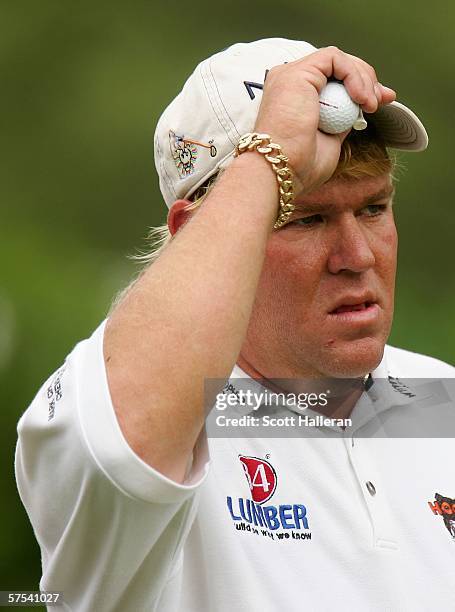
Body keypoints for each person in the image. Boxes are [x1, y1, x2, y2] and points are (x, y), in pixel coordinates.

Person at [15, 38, 455, 611]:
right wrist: (268, 158)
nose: (358, 255)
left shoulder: (440, 398)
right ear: (193, 232)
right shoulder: (143, 407)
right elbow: (123, 453)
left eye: (373, 209)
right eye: (307, 218)